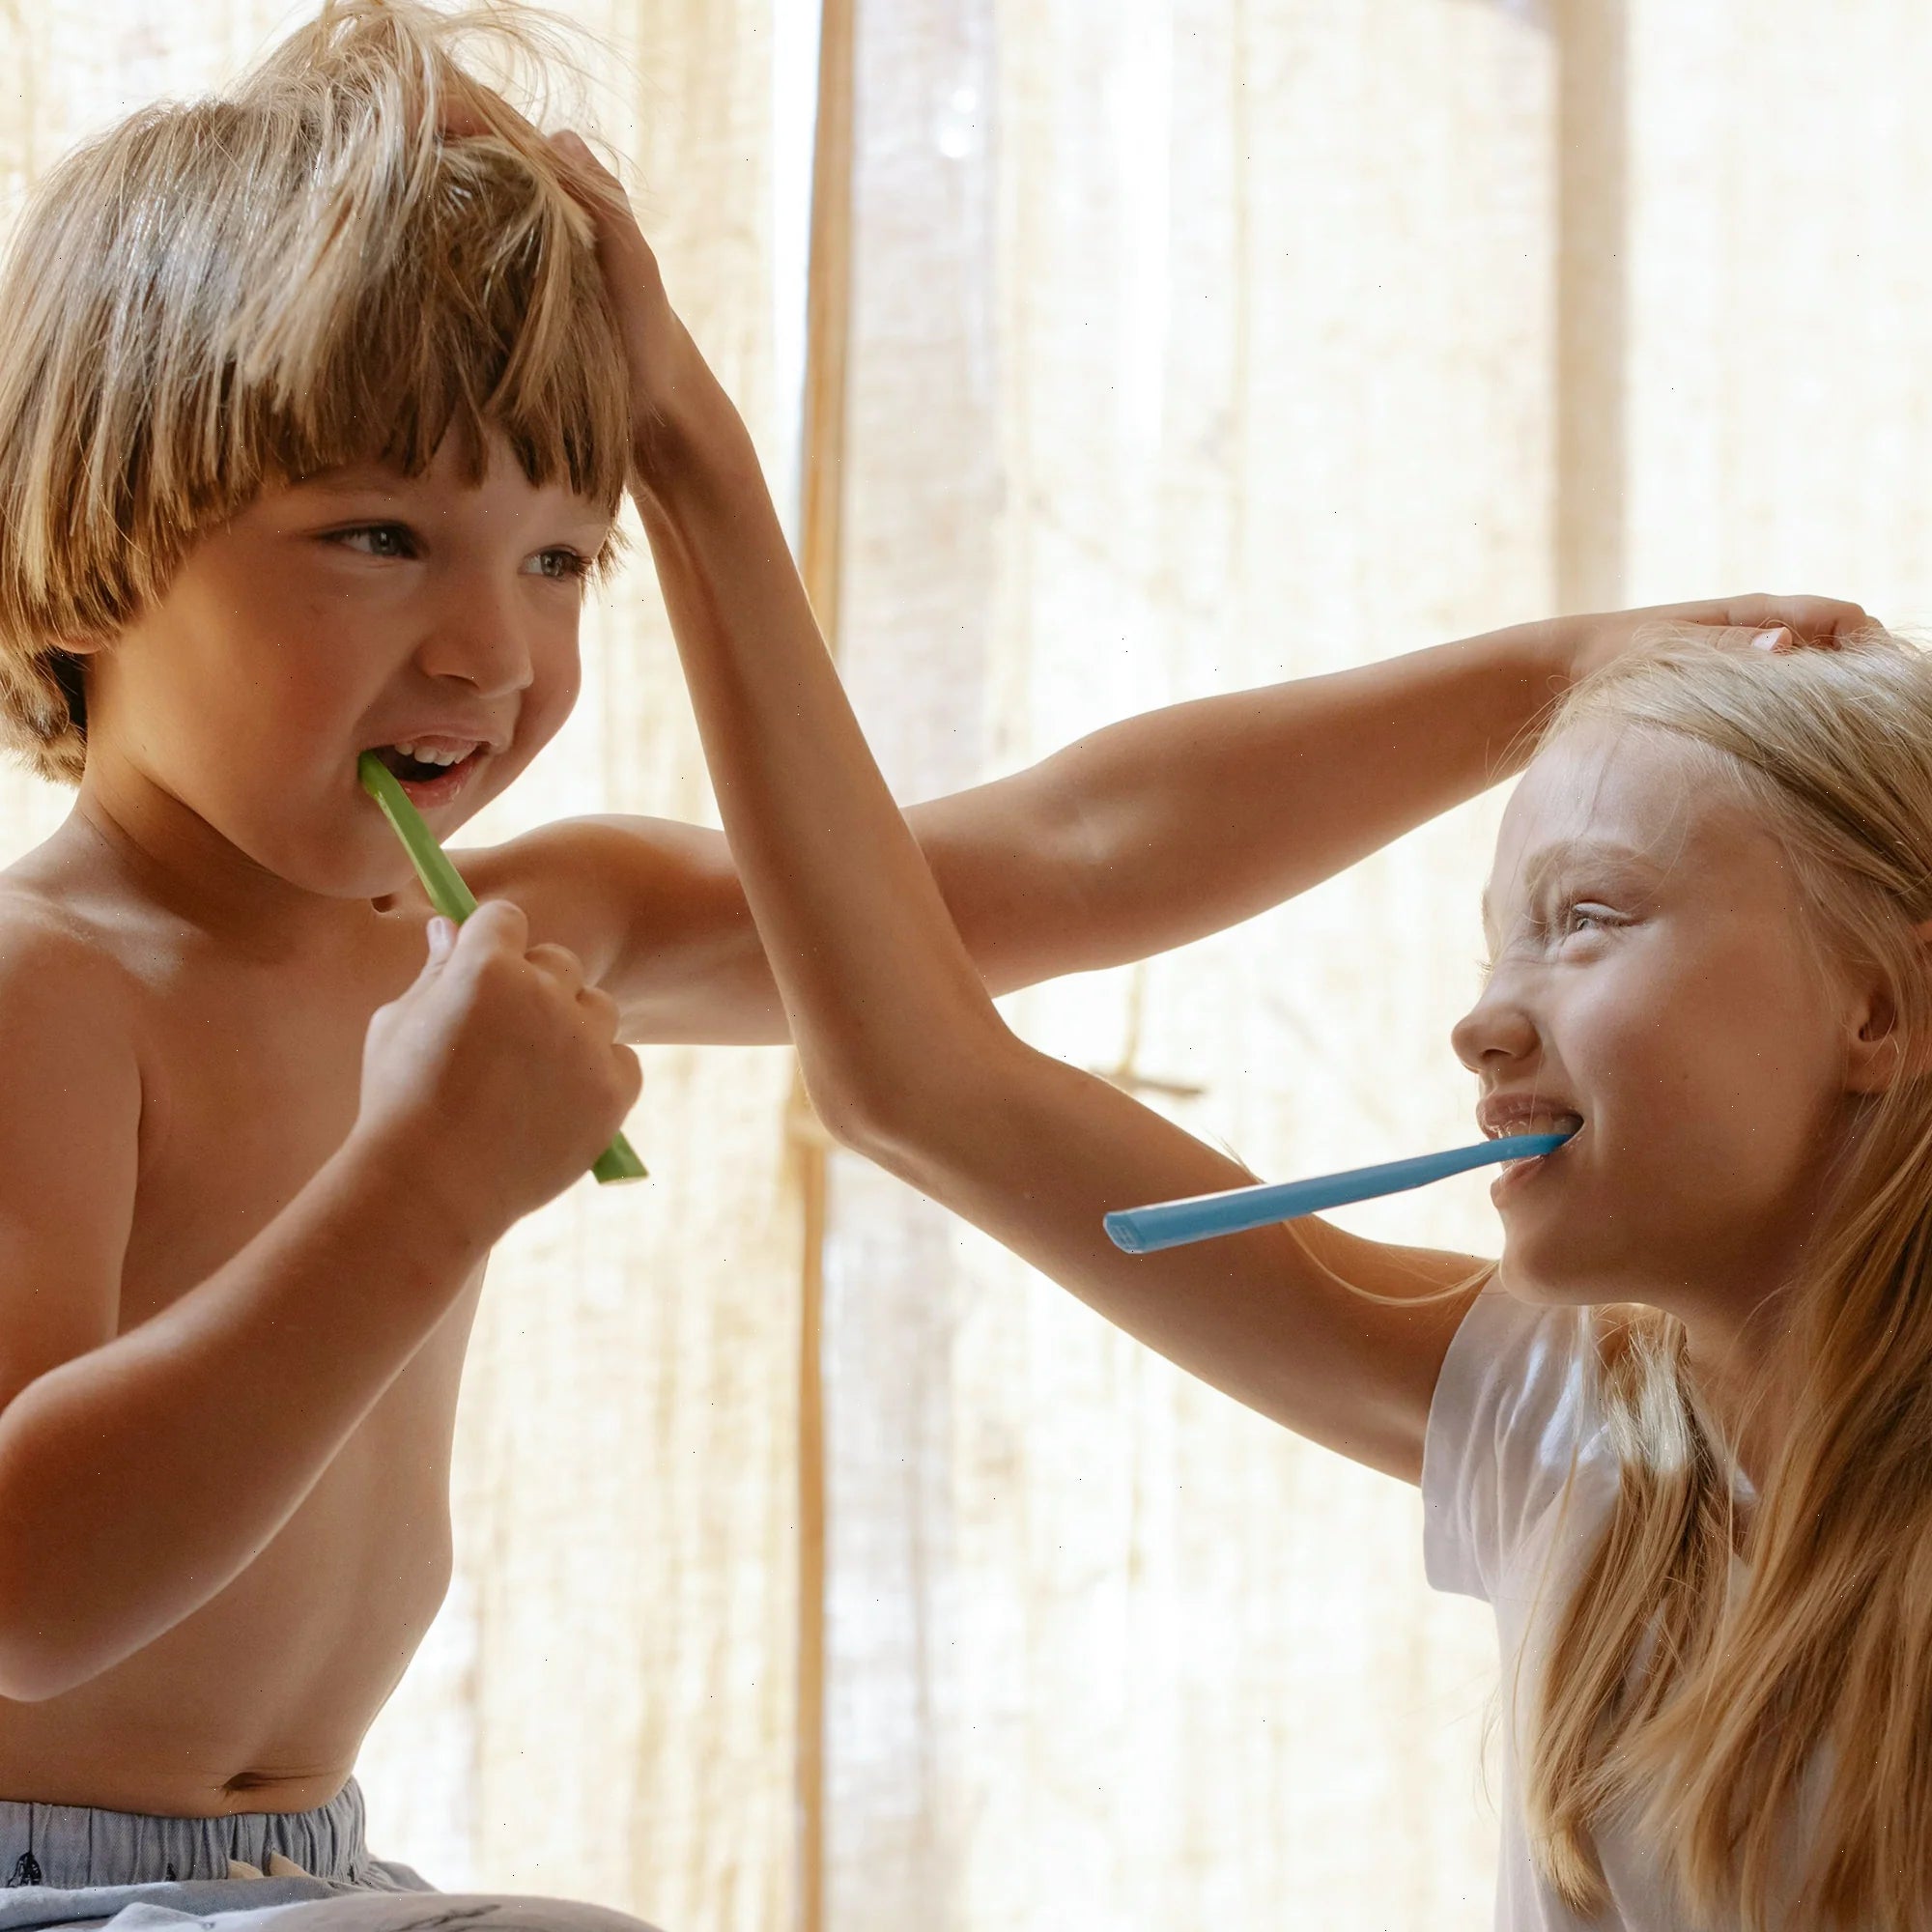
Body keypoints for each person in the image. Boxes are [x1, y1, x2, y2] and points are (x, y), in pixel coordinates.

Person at [0, 2, 1864, 1929]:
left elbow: (1071, 853)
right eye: (382, 536)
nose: (494, 653)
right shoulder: (41, 991)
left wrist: (1550, 676)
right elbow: (30, 1592)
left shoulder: (521, 924)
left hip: (307, 1877)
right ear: (100, 537)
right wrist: (421, 1188)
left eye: (561, 558)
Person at [600, 64, 1932, 1932]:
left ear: (1885, 1010)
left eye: (1589, 920)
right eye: (1494, 943)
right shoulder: (1563, 1422)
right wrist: (688, 459)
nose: (1484, 1022)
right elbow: (915, 1079)